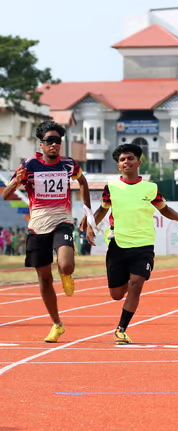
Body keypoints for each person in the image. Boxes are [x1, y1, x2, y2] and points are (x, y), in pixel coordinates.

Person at [89, 143, 178, 344]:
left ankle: (121, 329)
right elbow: (102, 209)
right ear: (118, 166)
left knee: (137, 284)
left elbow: (163, 209)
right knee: (116, 294)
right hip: (118, 244)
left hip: (144, 245)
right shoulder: (111, 187)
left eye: (129, 158)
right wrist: (91, 226)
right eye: (122, 160)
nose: (126, 162)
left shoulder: (151, 188)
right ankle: (130, 281)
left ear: (139, 162)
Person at [2, 120, 93, 342]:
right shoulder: (30, 165)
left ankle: (65, 273)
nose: (54, 145)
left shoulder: (69, 165)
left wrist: (87, 214)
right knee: (43, 279)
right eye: (49, 141)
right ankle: (57, 324)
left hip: (62, 220)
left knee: (67, 264)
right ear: (41, 144)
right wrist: (17, 183)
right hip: (37, 225)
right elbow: (5, 194)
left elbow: (83, 182)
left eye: (58, 141)